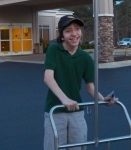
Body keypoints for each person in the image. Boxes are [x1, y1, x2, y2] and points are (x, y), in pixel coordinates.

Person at [43, 15, 117, 150]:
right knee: (54, 146)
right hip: (56, 111)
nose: (74, 34)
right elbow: (48, 77)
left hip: (76, 111)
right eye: (68, 30)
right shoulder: (54, 50)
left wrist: (102, 100)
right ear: (62, 35)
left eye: (77, 29)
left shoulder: (85, 58)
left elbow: (90, 87)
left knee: (78, 147)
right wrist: (64, 99)